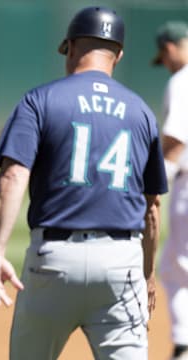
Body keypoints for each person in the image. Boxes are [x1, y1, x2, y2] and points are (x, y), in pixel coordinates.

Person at [0, 6, 168, 360]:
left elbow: (12, 176)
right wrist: (146, 274)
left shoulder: (39, 100)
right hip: (122, 263)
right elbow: (151, 208)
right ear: (118, 54)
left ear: (70, 47)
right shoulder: (141, 111)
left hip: (54, 259)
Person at [151, 21, 188, 360]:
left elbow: (176, 140)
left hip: (187, 185)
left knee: (177, 267)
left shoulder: (181, 80)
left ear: (170, 48)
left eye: (163, 56)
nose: (165, 63)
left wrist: (155, 185)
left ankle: (183, 346)